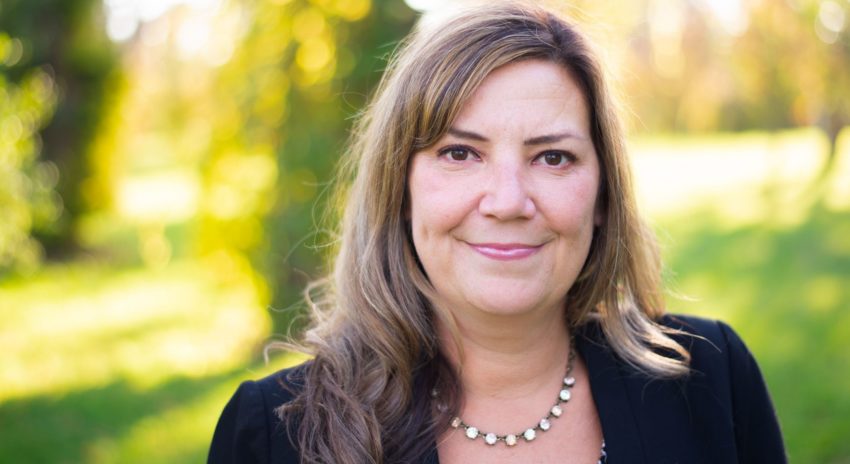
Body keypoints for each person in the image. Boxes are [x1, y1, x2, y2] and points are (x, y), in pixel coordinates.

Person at [208, 2, 787, 463]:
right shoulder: (277, 436)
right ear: (399, 191)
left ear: (604, 195)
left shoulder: (712, 380)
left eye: (553, 158)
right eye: (460, 153)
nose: (508, 202)